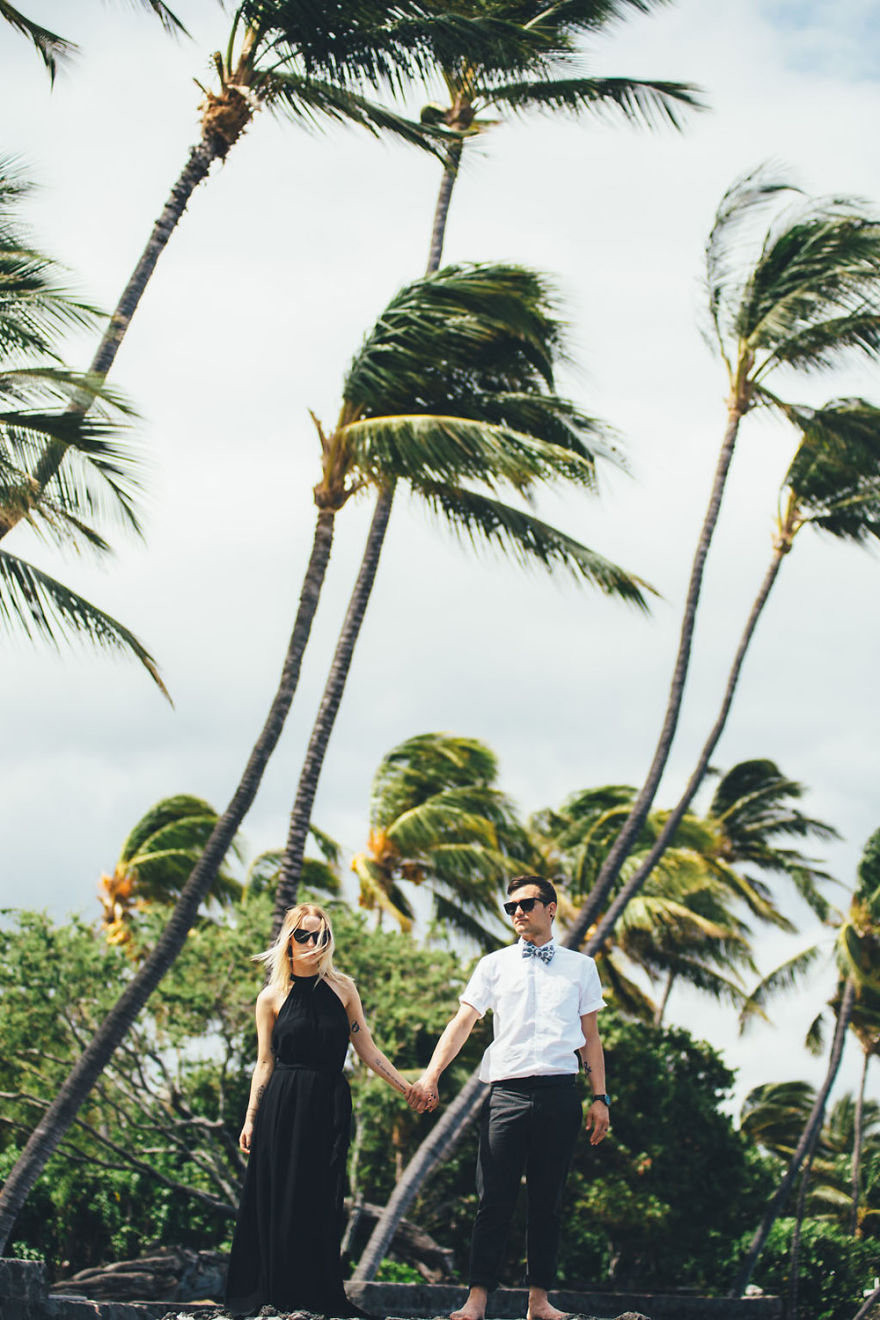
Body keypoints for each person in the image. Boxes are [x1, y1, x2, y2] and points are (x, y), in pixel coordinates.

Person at [411, 875, 609, 1320]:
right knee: (493, 1200)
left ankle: (539, 1303)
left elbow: (590, 1038)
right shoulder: (493, 964)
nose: (517, 912)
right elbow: (462, 1022)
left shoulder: (581, 967)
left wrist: (601, 1098)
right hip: (507, 1094)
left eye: (527, 903)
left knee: (547, 1201)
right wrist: (430, 1076)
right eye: (510, 906)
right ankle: (476, 1302)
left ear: (552, 908)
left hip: (560, 1092)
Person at [225, 902, 415, 1317]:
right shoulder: (271, 997)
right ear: (288, 940)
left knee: (321, 1194)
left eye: (321, 936)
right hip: (282, 1100)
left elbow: (365, 1047)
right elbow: (264, 1062)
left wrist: (406, 1087)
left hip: (328, 1100)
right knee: (279, 1192)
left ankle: (316, 1291)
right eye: (304, 935)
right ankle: (274, 1293)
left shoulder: (343, 989)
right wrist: (250, 1117)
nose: (314, 944)